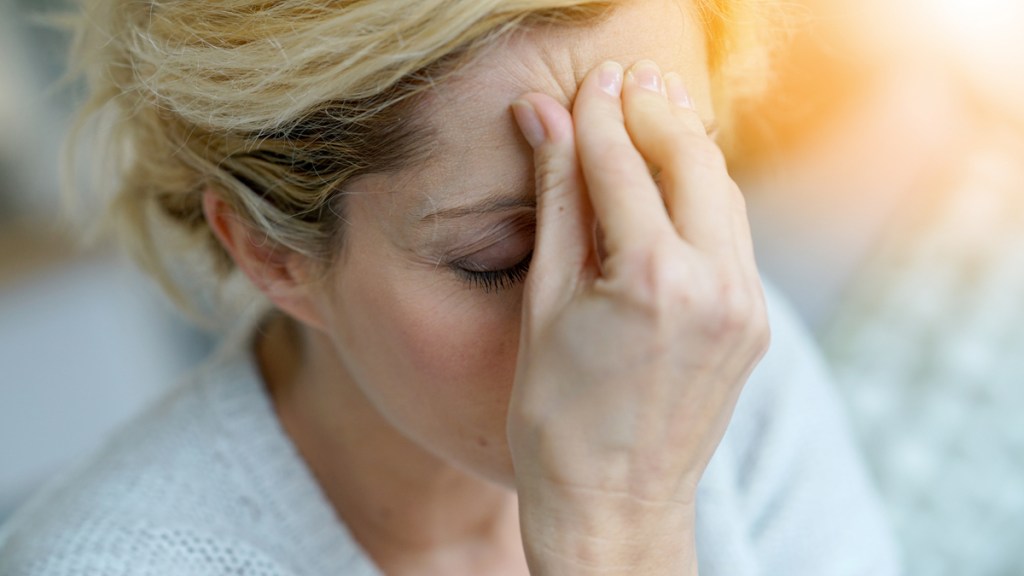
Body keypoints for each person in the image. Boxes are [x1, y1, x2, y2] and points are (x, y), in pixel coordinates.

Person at [0, 0, 900, 574]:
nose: (632, 303)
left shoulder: (710, 336)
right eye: (502, 254)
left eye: (655, 184)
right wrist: (616, 530)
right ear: (270, 253)